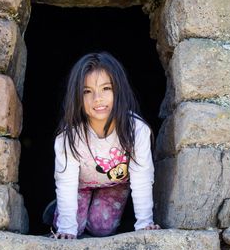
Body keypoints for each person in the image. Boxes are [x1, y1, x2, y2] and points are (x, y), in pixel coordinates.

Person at [47, 51, 160, 239]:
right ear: (77, 97)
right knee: (75, 227)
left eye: (106, 88)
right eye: (87, 91)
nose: (97, 98)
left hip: (115, 184)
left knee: (102, 229)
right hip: (79, 185)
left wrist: (145, 223)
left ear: (119, 89)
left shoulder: (137, 130)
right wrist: (66, 228)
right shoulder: (69, 136)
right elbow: (66, 180)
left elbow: (142, 177)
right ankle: (55, 211)